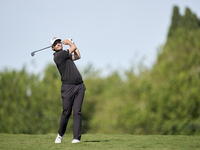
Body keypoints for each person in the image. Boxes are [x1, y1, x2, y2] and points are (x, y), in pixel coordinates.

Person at [51, 37, 86, 144]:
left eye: (59, 42)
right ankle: (60, 135)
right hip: (67, 88)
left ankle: (76, 138)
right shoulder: (58, 56)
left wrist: (72, 44)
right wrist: (70, 43)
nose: (58, 44)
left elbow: (78, 56)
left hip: (79, 86)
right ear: (53, 48)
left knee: (77, 112)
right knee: (66, 113)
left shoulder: (66, 56)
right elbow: (73, 47)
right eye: (56, 44)